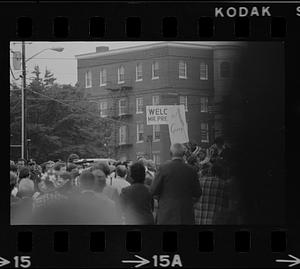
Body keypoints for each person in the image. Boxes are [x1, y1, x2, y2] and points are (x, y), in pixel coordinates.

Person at [150, 143, 202, 225]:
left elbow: (153, 190)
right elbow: (198, 193)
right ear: (184, 154)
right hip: (186, 213)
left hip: (166, 213)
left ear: (170, 153)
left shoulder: (163, 168)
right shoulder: (191, 170)